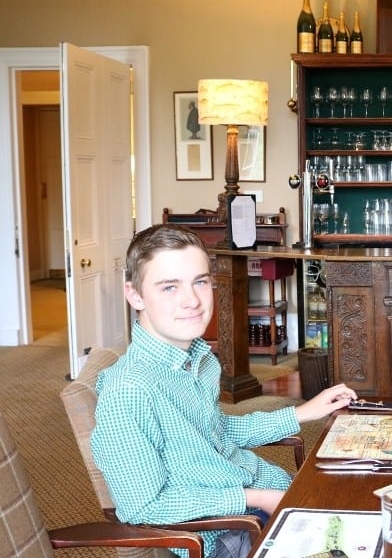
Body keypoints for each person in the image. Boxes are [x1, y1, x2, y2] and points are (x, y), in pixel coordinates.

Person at [91, 224, 357, 558]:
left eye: (200, 282)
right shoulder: (128, 391)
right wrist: (253, 497)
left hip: (265, 495)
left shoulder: (196, 359)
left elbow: (215, 433)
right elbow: (143, 506)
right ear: (135, 295)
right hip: (229, 533)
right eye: (169, 287)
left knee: (377, 501)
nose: (192, 300)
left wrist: (304, 412)